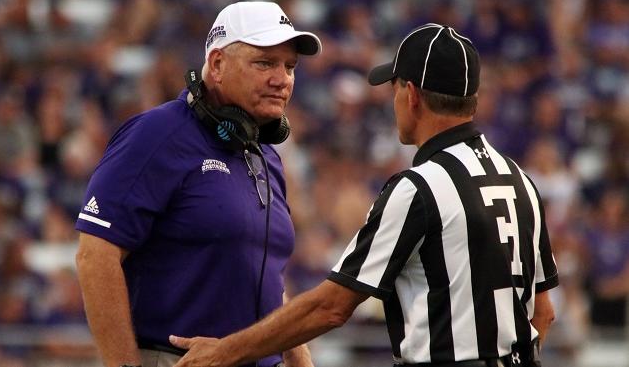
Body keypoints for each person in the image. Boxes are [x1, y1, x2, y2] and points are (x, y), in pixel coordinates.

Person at [170, 23, 559, 367]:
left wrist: (224, 352)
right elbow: (543, 313)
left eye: (393, 90)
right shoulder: (521, 180)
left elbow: (330, 307)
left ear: (411, 96)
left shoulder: (420, 188)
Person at [74, 1, 322, 367]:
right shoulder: (156, 135)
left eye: (290, 67)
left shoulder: (265, 155)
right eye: (265, 63)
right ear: (218, 64)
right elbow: (95, 256)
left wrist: (300, 361)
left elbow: (266, 280)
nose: (282, 79)